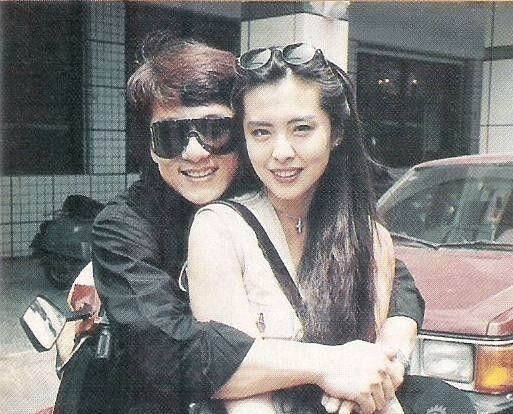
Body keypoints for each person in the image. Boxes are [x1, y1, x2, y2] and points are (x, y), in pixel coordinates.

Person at [56, 33, 424, 414]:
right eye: (171, 135)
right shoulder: (123, 227)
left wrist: (388, 358)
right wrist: (333, 363)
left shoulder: (271, 185)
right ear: (150, 147)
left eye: (215, 130)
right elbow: (171, 353)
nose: (194, 152)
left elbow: (386, 270)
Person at [186, 44, 476, 414]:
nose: (281, 151)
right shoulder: (219, 230)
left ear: (335, 132)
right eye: (261, 132)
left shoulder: (369, 238)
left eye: (302, 129)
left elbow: (368, 384)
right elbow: (239, 386)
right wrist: (333, 366)